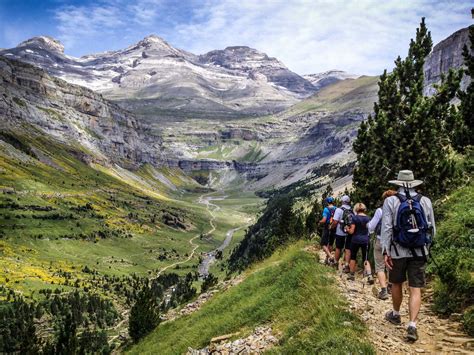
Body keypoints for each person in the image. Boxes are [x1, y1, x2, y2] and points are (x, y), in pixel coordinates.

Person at [381, 170, 435, 342]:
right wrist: (426, 245)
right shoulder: (425, 201)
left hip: (398, 250)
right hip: (419, 250)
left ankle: (396, 314)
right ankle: (412, 324)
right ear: (414, 183)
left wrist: (386, 251)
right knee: (415, 287)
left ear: (397, 184)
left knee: (396, 282)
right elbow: (431, 228)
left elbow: (387, 228)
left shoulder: (390, 201)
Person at [368, 189, 397, 300]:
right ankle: (391, 285)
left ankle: (384, 290)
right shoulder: (398, 209)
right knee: (392, 264)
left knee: (380, 266)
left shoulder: (380, 211)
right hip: (395, 242)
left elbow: (371, 226)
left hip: (381, 240)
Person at [346, 203, 373, 283]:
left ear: (356, 209)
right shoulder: (368, 218)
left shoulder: (354, 218)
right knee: (366, 258)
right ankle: (369, 275)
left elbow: (352, 231)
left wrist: (347, 229)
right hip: (365, 240)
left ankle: (351, 275)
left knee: (353, 257)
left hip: (355, 239)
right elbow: (370, 230)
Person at [332, 195, 353, 272]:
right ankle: (347, 265)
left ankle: (335, 263)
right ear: (348, 202)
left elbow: (335, 221)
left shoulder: (339, 209)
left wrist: (332, 227)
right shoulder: (352, 209)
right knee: (348, 249)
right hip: (349, 232)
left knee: (338, 248)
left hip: (340, 232)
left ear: (342, 201)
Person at [319, 196, 336, 265]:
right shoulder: (336, 209)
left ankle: (330, 257)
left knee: (323, 244)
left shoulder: (326, 209)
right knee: (331, 244)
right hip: (334, 227)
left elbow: (324, 220)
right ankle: (327, 259)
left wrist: (319, 222)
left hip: (327, 227)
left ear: (327, 202)